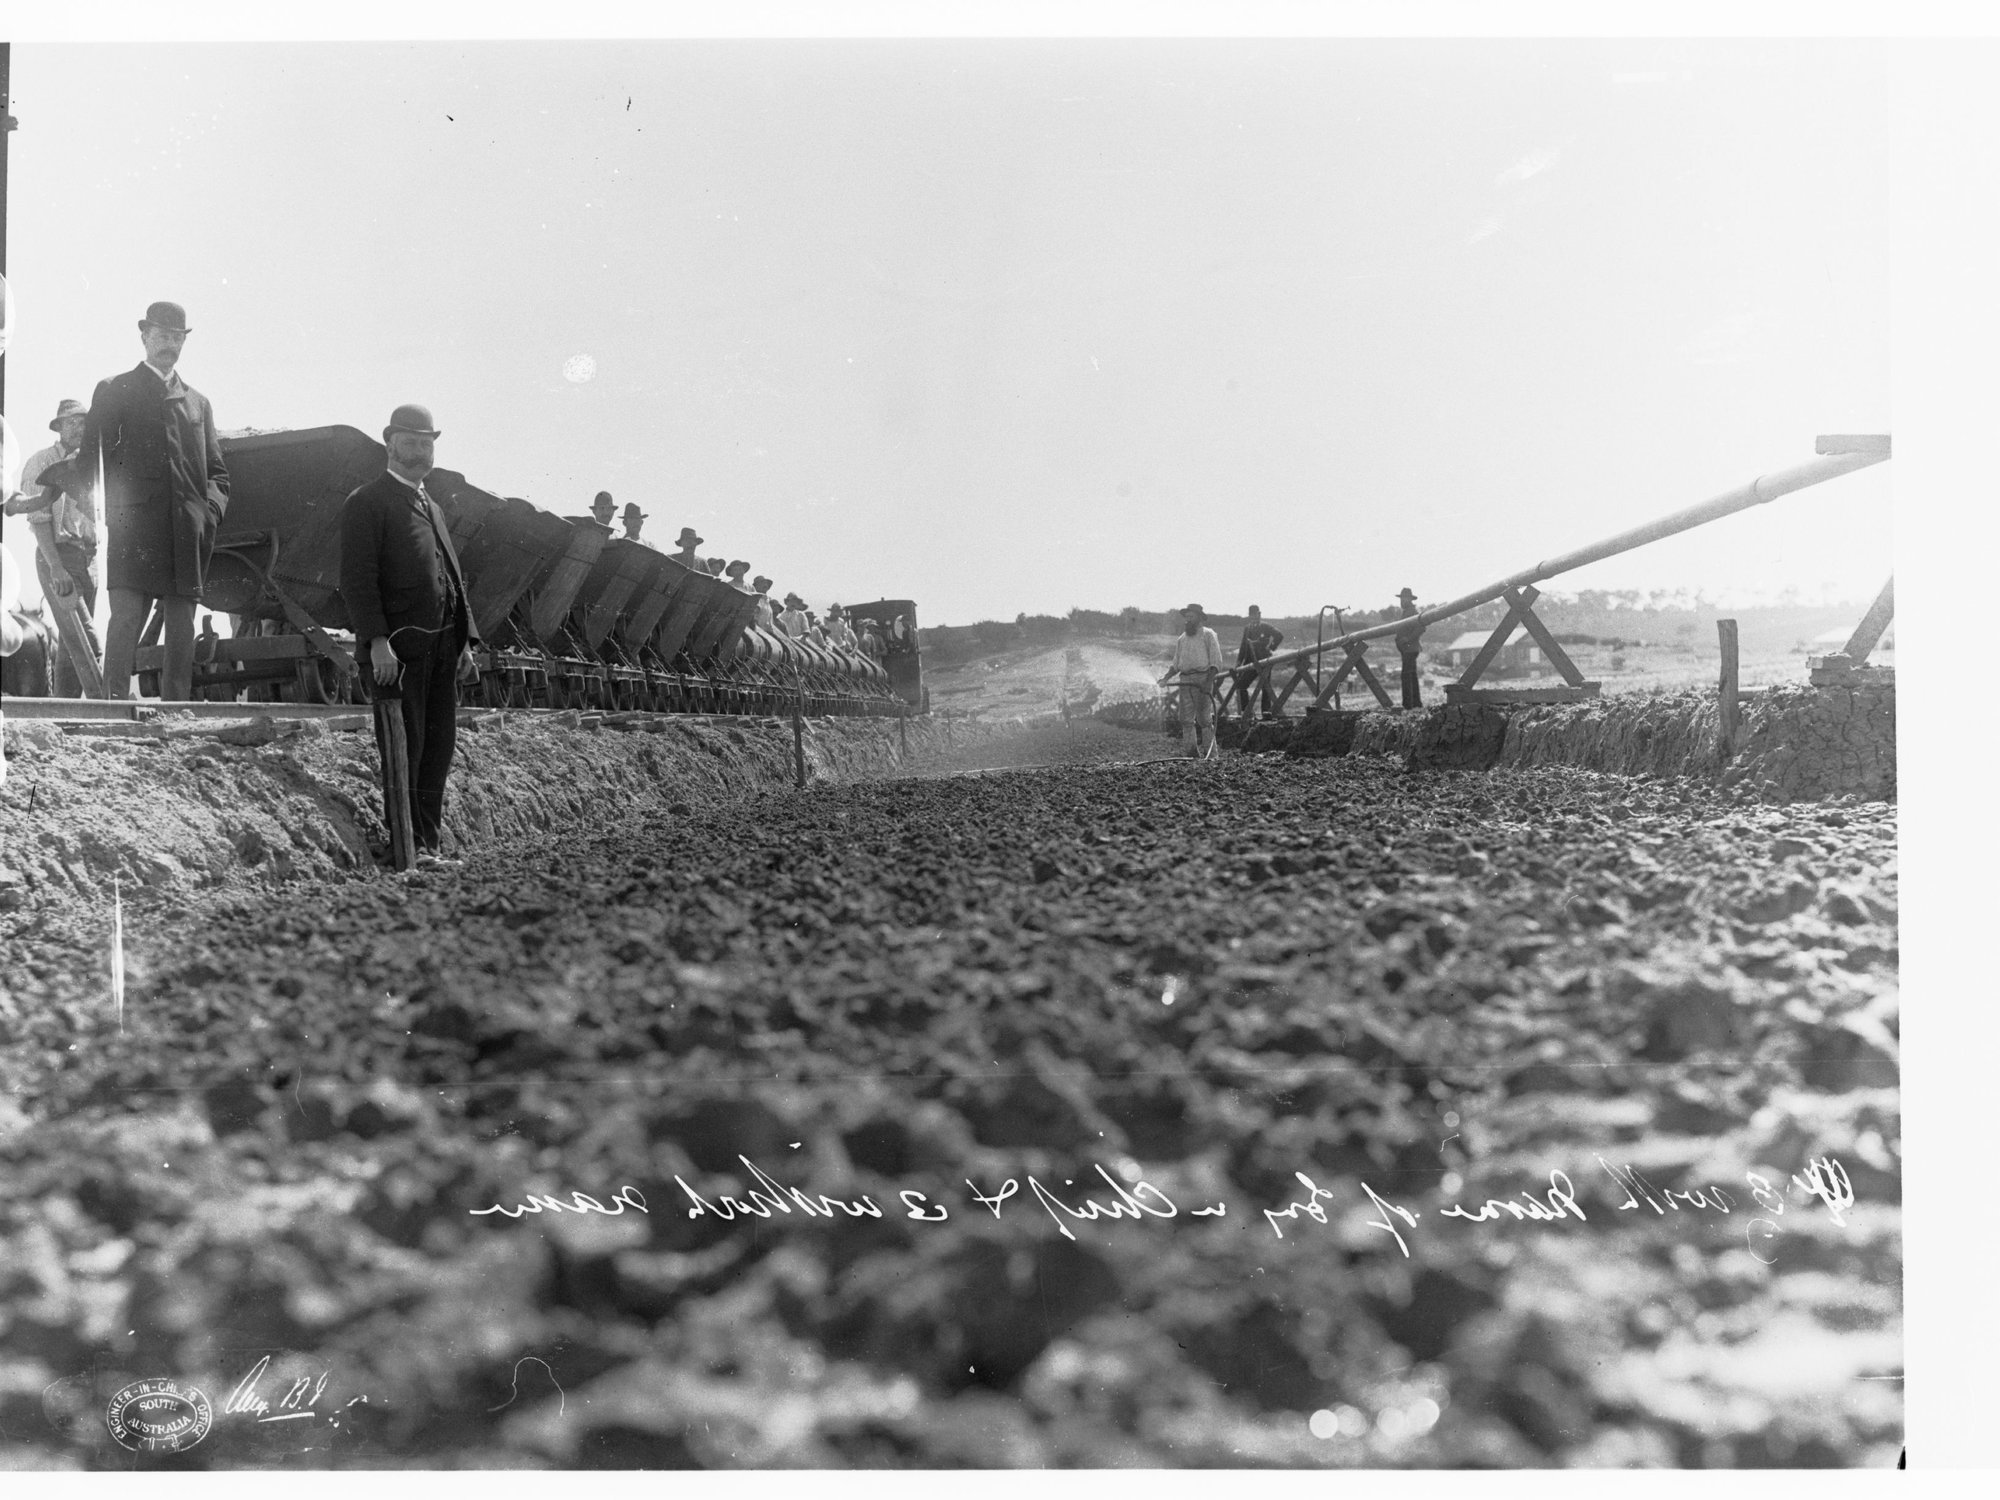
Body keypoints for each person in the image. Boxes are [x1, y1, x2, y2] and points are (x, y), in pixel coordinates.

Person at [339, 405, 480, 867]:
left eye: (427, 442)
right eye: (412, 442)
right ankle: (407, 851)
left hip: (441, 650)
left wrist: (466, 643)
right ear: (390, 443)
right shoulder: (367, 501)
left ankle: (430, 846)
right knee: (406, 747)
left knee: (437, 750)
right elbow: (358, 581)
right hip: (396, 653)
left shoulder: (431, 506)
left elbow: (451, 575)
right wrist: (377, 641)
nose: (421, 451)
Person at [82, 301, 231, 702]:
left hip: (187, 531)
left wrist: (208, 512)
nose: (170, 344)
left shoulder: (198, 403)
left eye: (177, 337)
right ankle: (110, 706)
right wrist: (103, 512)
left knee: (181, 624)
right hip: (135, 530)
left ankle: (176, 711)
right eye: (162, 335)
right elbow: (88, 463)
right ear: (144, 336)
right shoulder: (115, 390)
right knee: (126, 617)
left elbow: (218, 472)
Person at [4, 398, 103, 696]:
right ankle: (103, 704)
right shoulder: (41, 462)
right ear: (58, 427)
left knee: (71, 645)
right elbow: (39, 518)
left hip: (89, 557)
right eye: (71, 422)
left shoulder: (92, 464)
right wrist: (56, 567)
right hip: (57, 556)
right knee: (87, 642)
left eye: (83, 422)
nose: (78, 427)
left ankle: (63, 709)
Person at [1160, 602, 1224, 758]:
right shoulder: (1182, 639)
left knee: (1204, 719)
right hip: (1185, 681)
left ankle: (1211, 755)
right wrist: (1166, 677)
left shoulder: (1208, 634)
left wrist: (1207, 683)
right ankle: (1191, 753)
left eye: (1191, 617)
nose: (1187, 620)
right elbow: (1176, 664)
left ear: (1199, 618)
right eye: (1186, 617)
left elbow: (1216, 662)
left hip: (1202, 679)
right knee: (1186, 719)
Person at [1236, 604, 1285, 719]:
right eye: (1251, 616)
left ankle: (1266, 713)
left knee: (1265, 687)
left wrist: (1271, 647)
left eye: (1256, 615)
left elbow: (1279, 635)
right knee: (1241, 685)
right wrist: (1239, 661)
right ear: (1249, 616)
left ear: (1259, 614)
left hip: (1264, 662)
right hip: (1251, 663)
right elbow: (1243, 646)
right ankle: (1247, 712)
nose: (1254, 617)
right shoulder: (1247, 628)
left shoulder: (1265, 627)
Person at [1394, 586, 1424, 709]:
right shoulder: (1406, 612)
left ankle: (1408, 705)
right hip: (1407, 649)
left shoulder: (1412, 612)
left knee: (1406, 676)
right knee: (1411, 676)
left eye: (1404, 598)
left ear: (1409, 599)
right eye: (1401, 599)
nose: (1401, 601)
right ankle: (1416, 704)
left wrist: (1408, 639)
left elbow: (1421, 628)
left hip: (1410, 649)